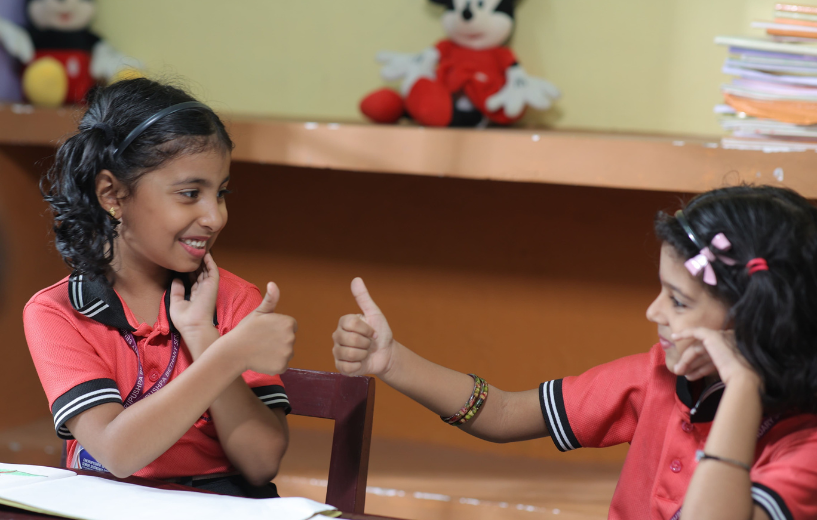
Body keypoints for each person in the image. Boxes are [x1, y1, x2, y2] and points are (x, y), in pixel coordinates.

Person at [332, 185, 817, 520]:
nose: (653, 311)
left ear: (757, 319)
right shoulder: (656, 377)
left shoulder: (805, 450)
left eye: (679, 301)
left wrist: (743, 386)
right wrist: (392, 362)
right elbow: (503, 413)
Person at [24, 78, 297, 498]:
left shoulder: (235, 300)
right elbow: (119, 453)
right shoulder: (58, 311)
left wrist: (204, 336)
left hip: (219, 504)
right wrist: (229, 355)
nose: (215, 217)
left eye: (220, 193)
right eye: (190, 193)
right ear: (112, 194)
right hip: (108, 503)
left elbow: (261, 464)